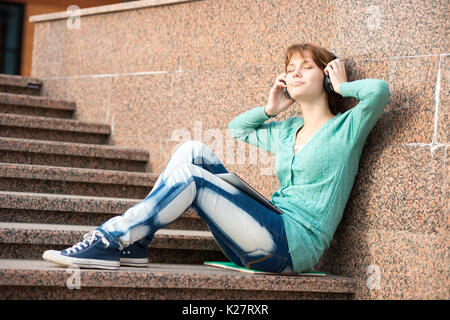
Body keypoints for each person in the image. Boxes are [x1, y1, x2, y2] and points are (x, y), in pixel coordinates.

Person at [42, 42, 390, 274]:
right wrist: (271, 109)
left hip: (291, 247)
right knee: (193, 150)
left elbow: (378, 92)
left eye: (308, 66)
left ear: (326, 75)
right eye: (290, 67)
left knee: (193, 179)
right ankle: (138, 244)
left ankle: (110, 238)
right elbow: (239, 129)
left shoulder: (347, 128)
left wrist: (341, 86)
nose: (294, 72)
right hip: (266, 226)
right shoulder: (288, 130)